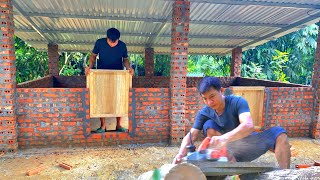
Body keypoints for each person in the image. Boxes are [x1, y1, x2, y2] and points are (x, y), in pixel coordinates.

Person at [173, 77, 291, 169]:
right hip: (223, 155)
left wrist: (224, 138)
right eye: (205, 98)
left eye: (212, 96)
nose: (209, 102)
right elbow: (191, 135)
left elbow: (248, 125)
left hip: (247, 146)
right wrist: (180, 154)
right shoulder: (204, 112)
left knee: (279, 133)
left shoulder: (237, 101)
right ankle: (227, 166)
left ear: (222, 91)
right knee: (208, 124)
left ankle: (284, 174)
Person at [85, 27, 134, 133]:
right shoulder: (100, 43)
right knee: (102, 99)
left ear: (118, 39)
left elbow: (125, 59)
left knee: (119, 99)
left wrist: (129, 68)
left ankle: (119, 125)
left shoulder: (122, 46)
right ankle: (103, 126)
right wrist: (90, 67)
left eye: (115, 41)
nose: (112, 44)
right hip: (101, 74)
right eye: (110, 41)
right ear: (107, 38)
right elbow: (93, 56)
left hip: (118, 76)